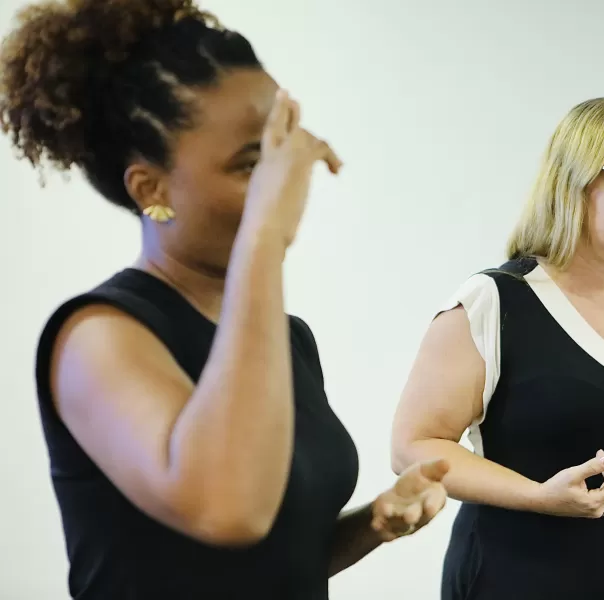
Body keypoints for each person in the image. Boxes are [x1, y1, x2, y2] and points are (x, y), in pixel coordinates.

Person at [0, 1, 448, 598]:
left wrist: (373, 525)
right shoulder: (99, 336)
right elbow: (229, 509)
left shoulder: (287, 338)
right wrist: (266, 234)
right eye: (250, 164)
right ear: (151, 190)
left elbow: (273, 561)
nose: (283, 181)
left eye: (279, 151)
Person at [390, 97, 604, 599]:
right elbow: (412, 446)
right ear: (571, 185)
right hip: (507, 580)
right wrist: (537, 496)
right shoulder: (495, 302)